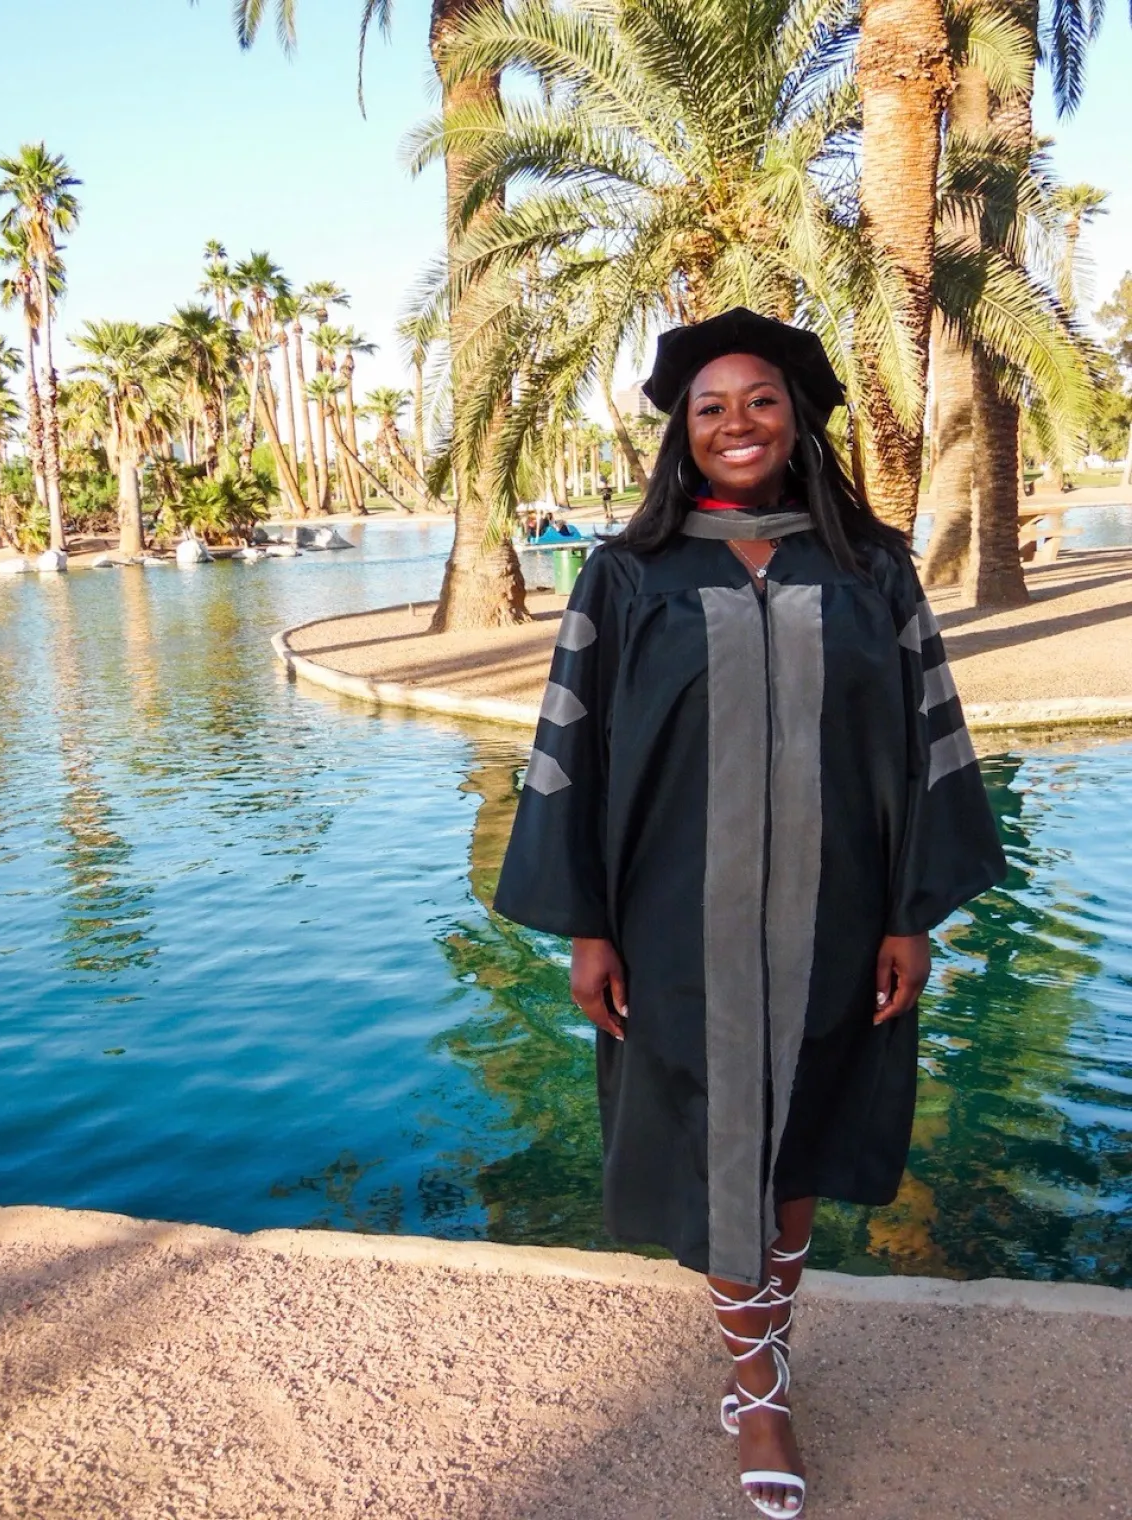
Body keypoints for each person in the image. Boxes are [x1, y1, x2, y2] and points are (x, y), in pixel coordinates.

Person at [493, 308, 1006, 1517]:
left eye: (761, 400)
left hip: (837, 916)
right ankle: (758, 1379)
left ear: (798, 419)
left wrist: (912, 912)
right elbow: (571, 751)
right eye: (711, 405)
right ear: (684, 429)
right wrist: (588, 924)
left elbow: (927, 741)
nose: (736, 422)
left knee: (802, 1130)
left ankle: (764, 1338)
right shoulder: (628, 577)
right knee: (712, 1136)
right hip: (676, 926)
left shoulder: (873, 568)